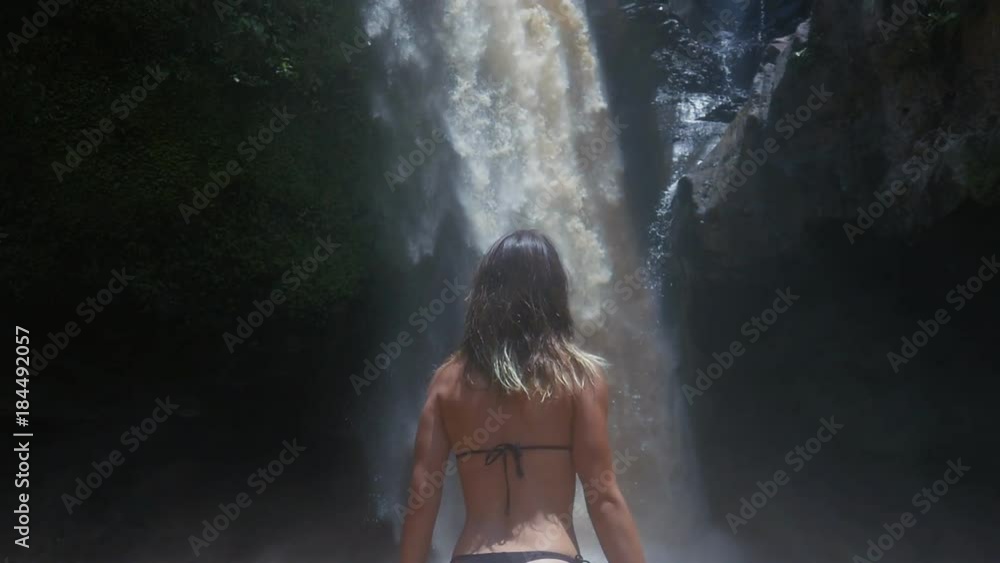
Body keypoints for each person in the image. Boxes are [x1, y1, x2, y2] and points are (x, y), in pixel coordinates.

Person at [400, 230, 646, 563]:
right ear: (555, 292)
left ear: (484, 292)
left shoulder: (447, 382)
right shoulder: (578, 377)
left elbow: (422, 496)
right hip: (550, 555)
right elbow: (603, 496)